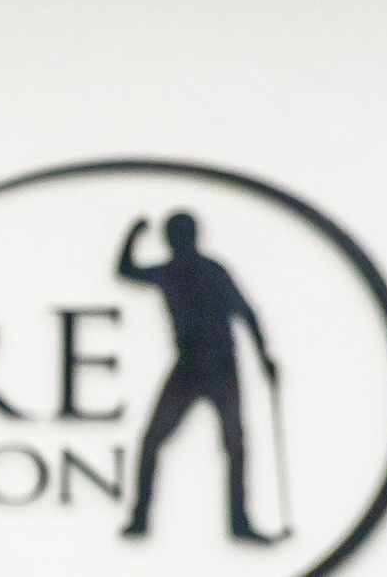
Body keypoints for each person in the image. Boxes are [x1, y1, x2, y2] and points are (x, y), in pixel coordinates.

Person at [116, 211, 278, 544]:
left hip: (218, 366)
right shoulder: (174, 271)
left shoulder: (208, 271)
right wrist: (132, 234)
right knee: (159, 441)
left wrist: (264, 357)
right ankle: (142, 519)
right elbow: (126, 271)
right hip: (192, 366)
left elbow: (244, 311)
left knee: (233, 444)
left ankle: (238, 523)